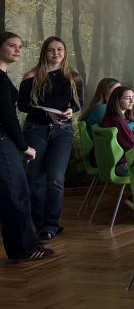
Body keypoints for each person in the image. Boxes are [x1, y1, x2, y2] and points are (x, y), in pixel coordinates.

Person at [18, 36, 82, 244]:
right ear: (44, 52)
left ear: (65, 52)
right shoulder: (31, 76)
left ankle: (51, 225)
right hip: (36, 129)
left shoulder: (73, 77)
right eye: (51, 50)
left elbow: (77, 104)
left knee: (55, 179)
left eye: (59, 49)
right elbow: (23, 105)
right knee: (36, 179)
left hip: (62, 132)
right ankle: (39, 224)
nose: (56, 53)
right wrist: (47, 114)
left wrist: (71, 110)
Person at [0, 31, 54, 261]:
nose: (17, 50)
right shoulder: (0, 79)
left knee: (12, 194)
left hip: (5, 141)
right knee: (16, 194)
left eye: (20, 47)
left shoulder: (3, 77)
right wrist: (24, 147)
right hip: (2, 141)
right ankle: (25, 249)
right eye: (12, 45)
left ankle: (21, 247)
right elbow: (7, 117)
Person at [99, 85, 134, 176]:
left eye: (133, 98)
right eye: (127, 98)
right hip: (121, 165)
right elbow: (132, 146)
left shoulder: (109, 118)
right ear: (117, 100)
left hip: (110, 164)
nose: (132, 101)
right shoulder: (118, 121)